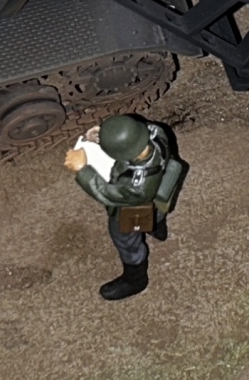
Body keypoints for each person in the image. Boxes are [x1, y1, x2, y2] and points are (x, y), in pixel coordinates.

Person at [64, 114, 186, 301]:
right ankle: (157, 227)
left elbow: (107, 193)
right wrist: (106, 137)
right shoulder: (155, 131)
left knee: (126, 240)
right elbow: (130, 130)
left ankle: (136, 279)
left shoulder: (138, 185)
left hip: (135, 206)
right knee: (158, 211)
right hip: (160, 189)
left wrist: (82, 169)